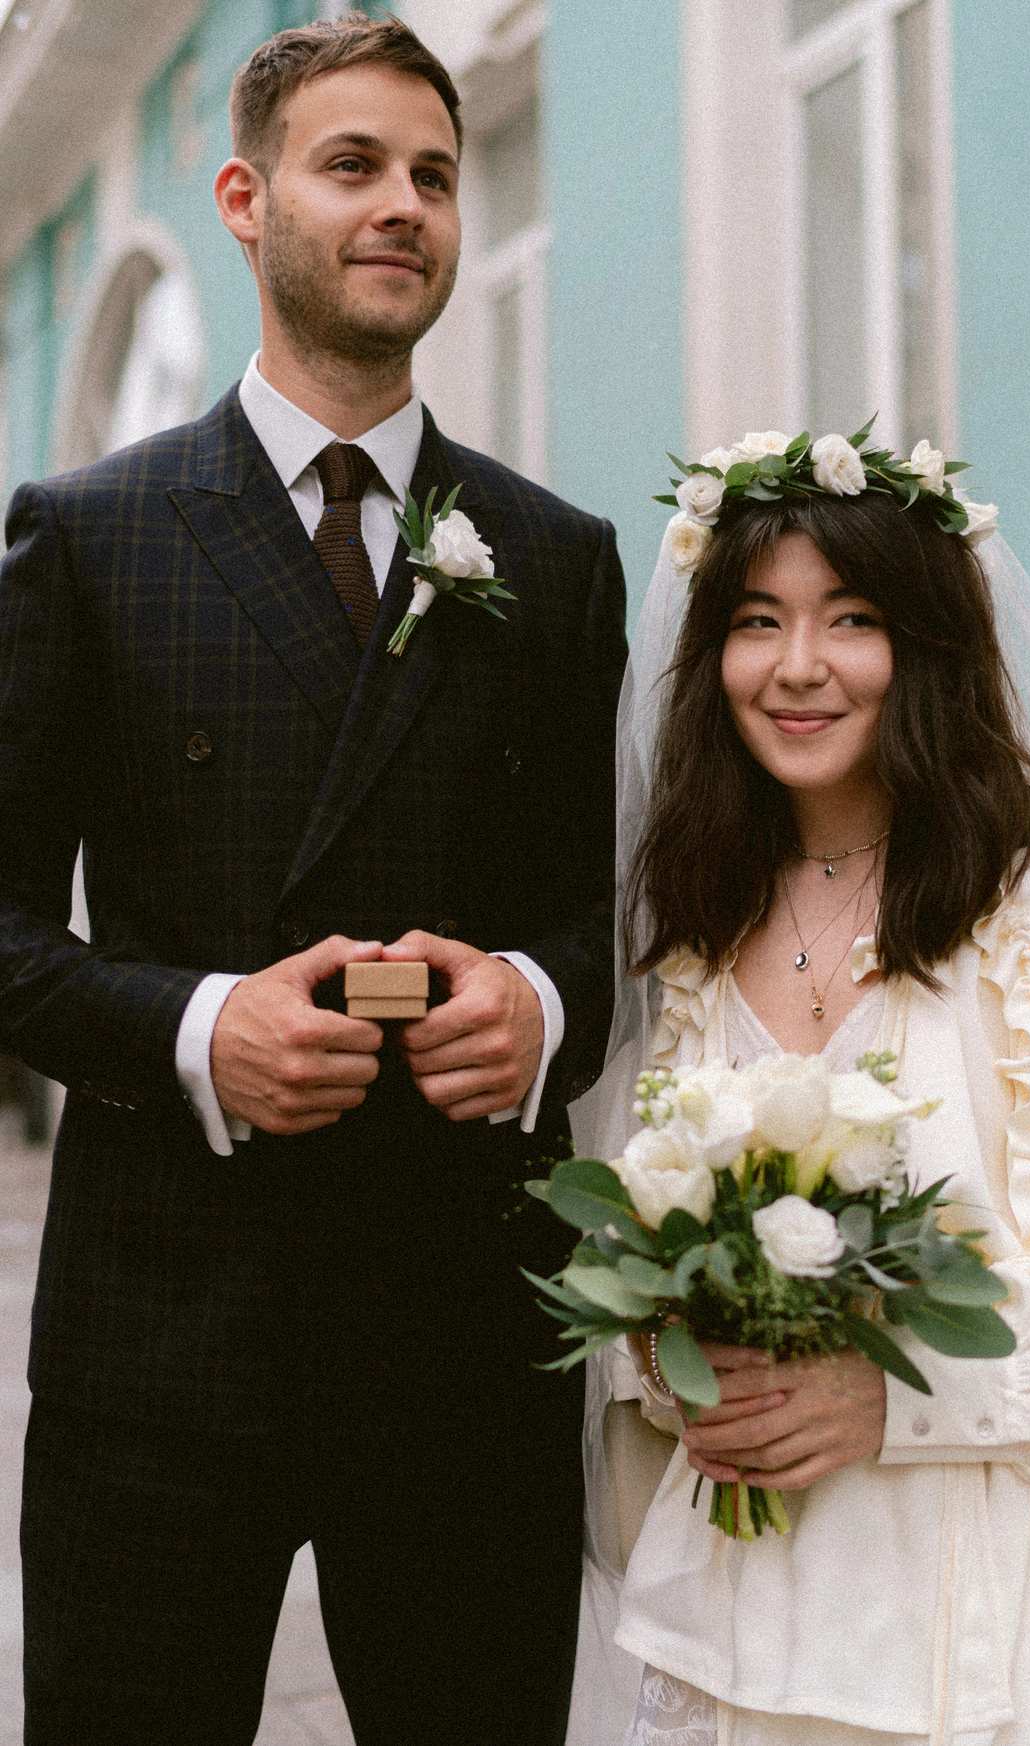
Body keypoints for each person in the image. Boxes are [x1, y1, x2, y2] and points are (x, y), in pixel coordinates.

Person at [0, 14, 626, 1744]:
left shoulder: (556, 557)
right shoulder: (89, 532)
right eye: (353, 165)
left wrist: (543, 1000)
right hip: (163, 1338)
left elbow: (612, 911)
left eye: (436, 173)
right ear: (244, 198)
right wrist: (199, 1029)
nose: (405, 204)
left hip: (465, 1339)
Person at [565, 429, 1030, 1746]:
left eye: (852, 619)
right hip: (737, 1618)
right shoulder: (691, 938)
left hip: (985, 1619)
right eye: (758, 620)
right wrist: (677, 1357)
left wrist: (892, 1394)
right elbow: (627, 1294)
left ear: (925, 649)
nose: (798, 665)